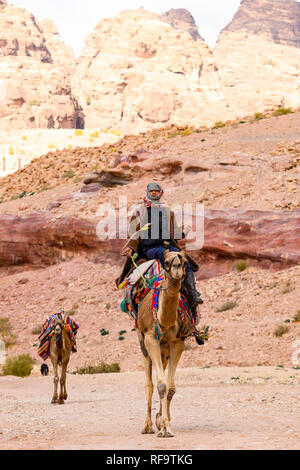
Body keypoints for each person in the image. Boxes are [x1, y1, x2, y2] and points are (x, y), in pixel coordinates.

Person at [116, 182, 203, 315]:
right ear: (147, 192)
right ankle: (169, 287)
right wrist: (131, 247)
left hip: (169, 245)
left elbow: (174, 233)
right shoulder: (140, 211)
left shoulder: (167, 211)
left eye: (156, 191)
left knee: (183, 260)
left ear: (160, 193)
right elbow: (134, 233)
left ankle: (192, 293)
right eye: (152, 191)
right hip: (150, 248)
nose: (154, 193)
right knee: (166, 256)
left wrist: (183, 232)